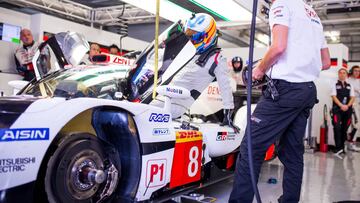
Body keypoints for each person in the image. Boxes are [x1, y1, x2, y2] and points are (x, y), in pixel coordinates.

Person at [229, 0, 330, 202]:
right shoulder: (312, 13)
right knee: (292, 154)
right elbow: (326, 62)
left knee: (251, 148)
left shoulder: (281, 4)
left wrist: (259, 70)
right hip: (307, 90)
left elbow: (279, 47)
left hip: (285, 91)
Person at [152, 13, 234, 126]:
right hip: (160, 95)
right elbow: (162, 58)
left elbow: (226, 88)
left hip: (176, 104)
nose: (190, 39)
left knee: (138, 113)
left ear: (207, 36)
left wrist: (228, 113)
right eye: (188, 35)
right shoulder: (189, 50)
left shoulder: (217, 59)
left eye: (194, 36)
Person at [331, 68, 356, 157]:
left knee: (344, 129)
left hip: (347, 110)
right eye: (340, 73)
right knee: (337, 128)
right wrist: (341, 105)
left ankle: (342, 147)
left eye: (344, 73)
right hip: (337, 109)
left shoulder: (350, 85)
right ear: (338, 74)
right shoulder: (334, 84)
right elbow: (333, 96)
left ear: (346, 74)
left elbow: (352, 97)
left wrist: (347, 106)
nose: (342, 74)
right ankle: (337, 148)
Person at [346, 65, 360, 151]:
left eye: (358, 71)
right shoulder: (347, 81)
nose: (357, 72)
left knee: (356, 125)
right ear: (351, 71)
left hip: (358, 104)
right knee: (356, 123)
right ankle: (350, 143)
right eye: (355, 71)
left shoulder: (358, 81)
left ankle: (350, 142)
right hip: (351, 104)